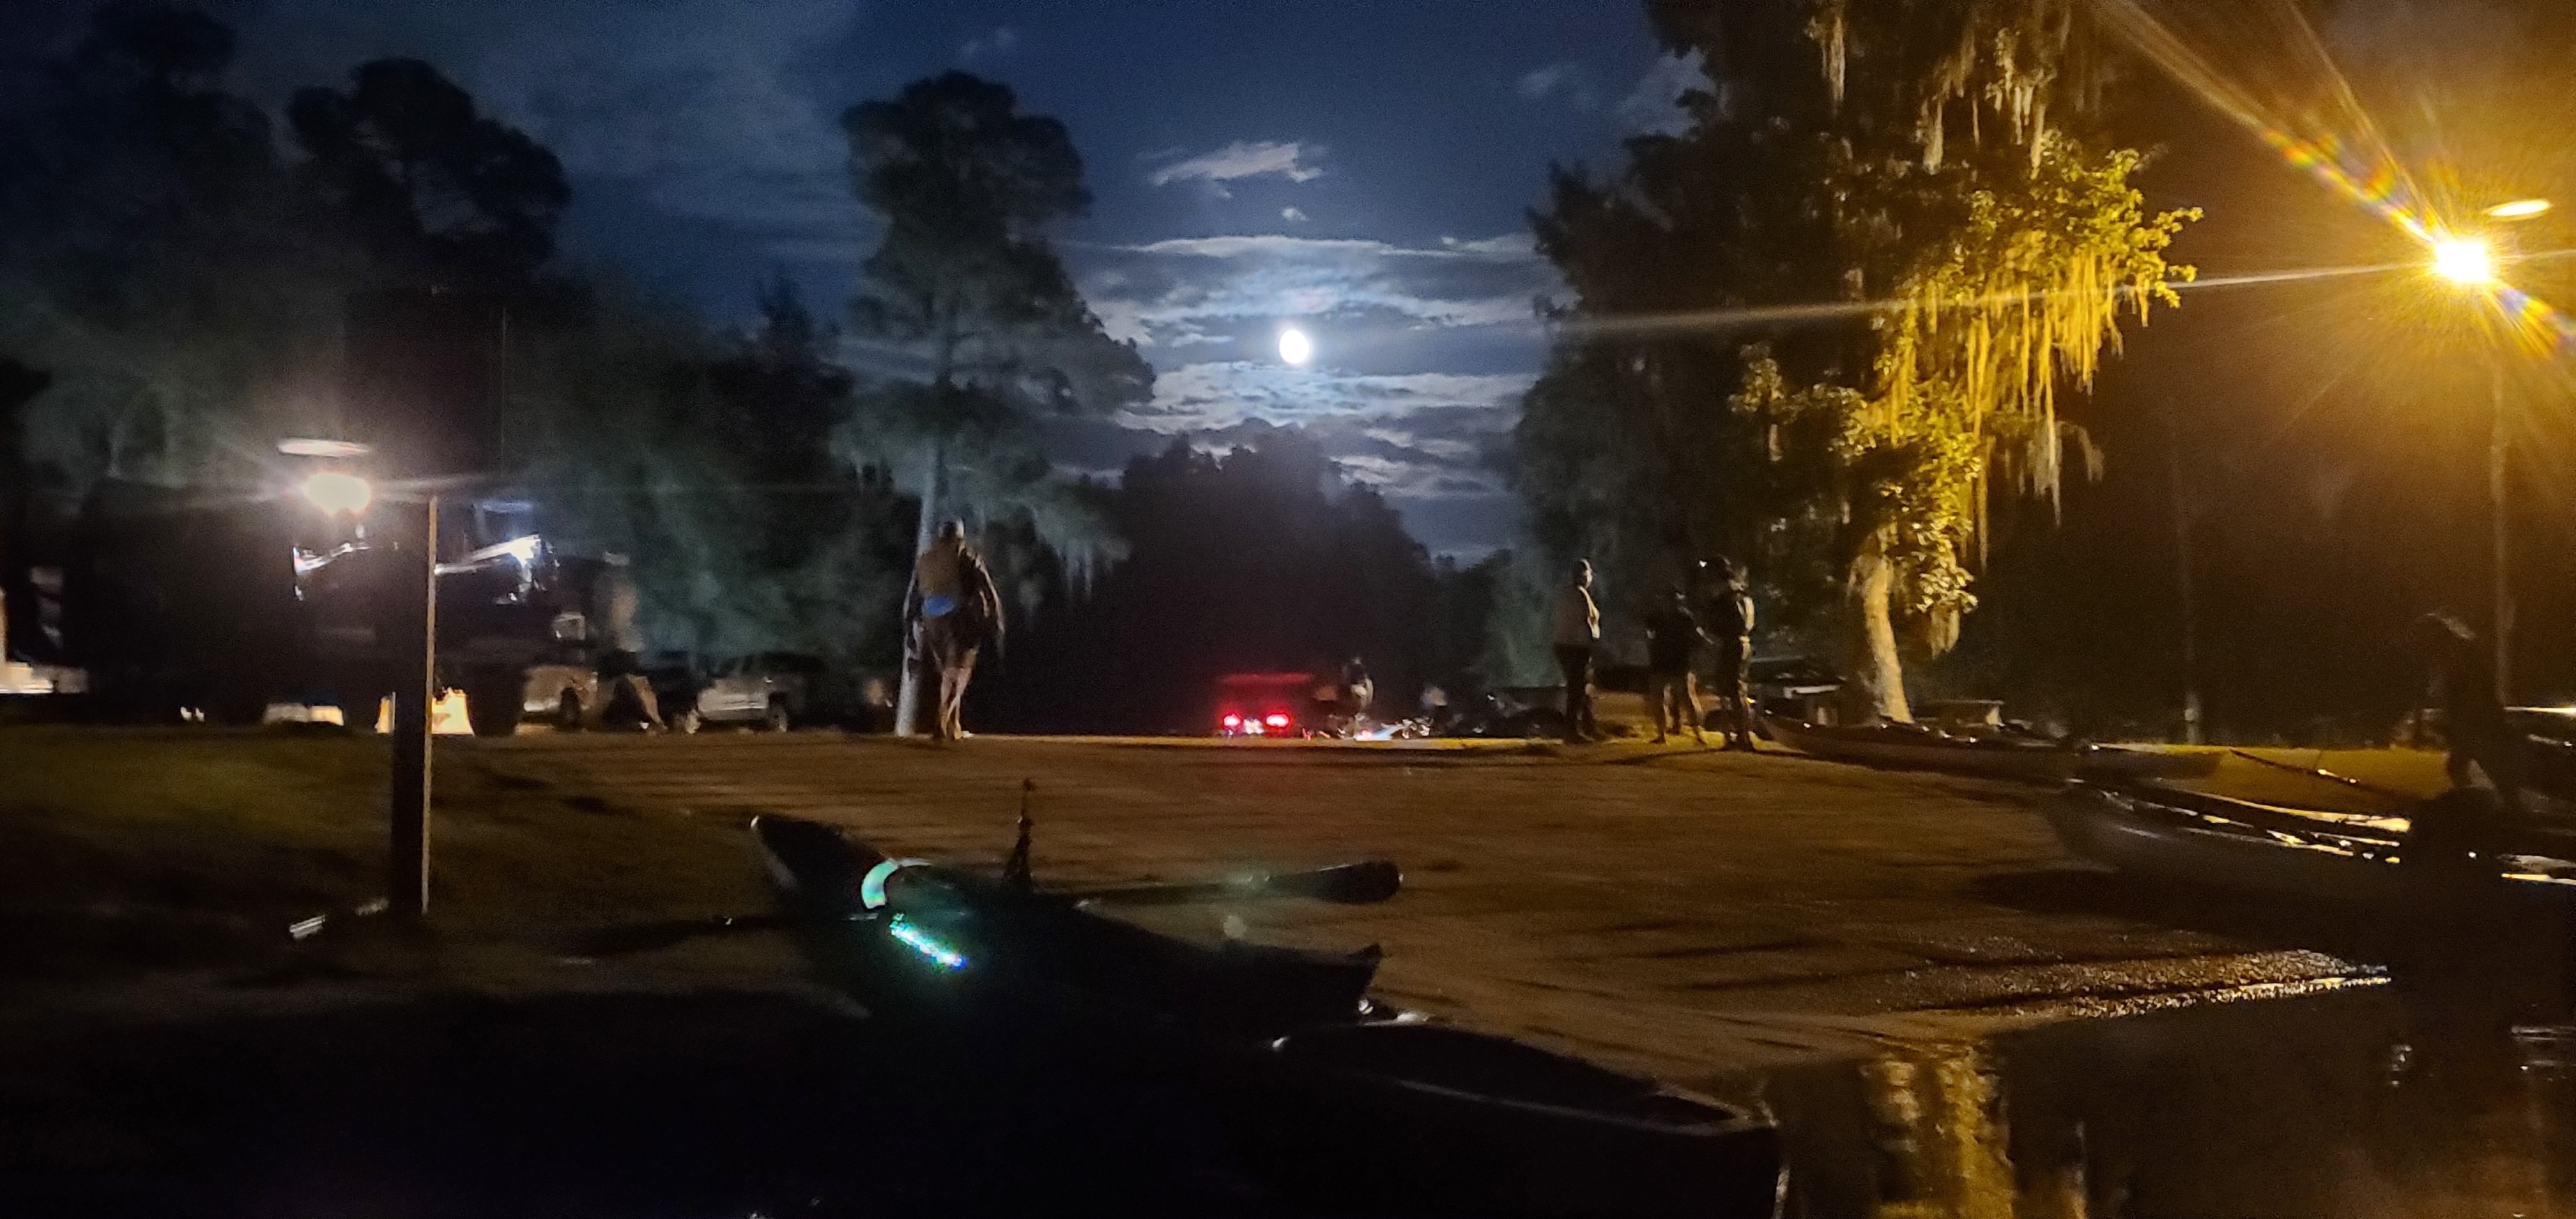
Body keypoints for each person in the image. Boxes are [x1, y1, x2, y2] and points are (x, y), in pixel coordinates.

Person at [2412, 611, 2523, 813]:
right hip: (2473, 720)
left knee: (2480, 765)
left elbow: (2472, 688)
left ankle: (2503, 806)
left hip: (2478, 720)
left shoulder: (2457, 652)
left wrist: (2473, 720)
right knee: (2472, 766)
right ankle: (2504, 804)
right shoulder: (2448, 652)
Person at [907, 520, 1003, 741]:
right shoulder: (966, 556)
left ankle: (954, 725)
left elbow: (914, 595)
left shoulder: (926, 558)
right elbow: (987, 588)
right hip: (956, 617)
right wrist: (996, 620)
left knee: (947, 674)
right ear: (959, 537)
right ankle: (942, 721)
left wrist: (909, 630)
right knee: (960, 673)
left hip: (930, 619)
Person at [588, 552, 665, 731]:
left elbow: (607, 614)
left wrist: (605, 634)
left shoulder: (606, 583)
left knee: (608, 685)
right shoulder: (630, 584)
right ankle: (657, 721)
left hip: (615, 642)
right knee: (637, 683)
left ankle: (593, 720)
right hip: (630, 642)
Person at [1702, 557, 1757, 750]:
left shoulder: (1725, 596)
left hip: (1730, 644)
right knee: (1739, 691)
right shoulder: (1744, 594)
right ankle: (1743, 736)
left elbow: (1718, 624)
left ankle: (1733, 737)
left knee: (1729, 691)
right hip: (1744, 643)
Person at [1643, 585, 1706, 745]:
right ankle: (1695, 734)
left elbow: (1649, 638)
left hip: (1669, 662)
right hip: (1672, 663)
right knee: (1679, 699)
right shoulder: (1683, 617)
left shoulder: (1678, 617)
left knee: (1673, 699)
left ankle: (1668, 735)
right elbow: (1698, 637)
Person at [1552, 560, 1600, 742]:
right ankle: (1572, 731)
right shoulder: (1581, 595)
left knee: (1580, 688)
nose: (1590, 579)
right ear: (1584, 576)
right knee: (1577, 689)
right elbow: (1586, 622)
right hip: (1577, 647)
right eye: (1589, 575)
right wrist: (1592, 645)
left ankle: (1589, 726)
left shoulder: (1563, 594)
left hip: (1563, 645)